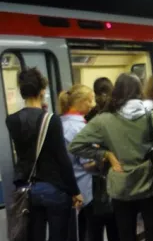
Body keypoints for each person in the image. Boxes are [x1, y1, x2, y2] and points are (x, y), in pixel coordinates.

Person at [69, 74, 153, 241]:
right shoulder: (151, 116)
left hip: (120, 186)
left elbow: (75, 145)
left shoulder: (103, 120)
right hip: (149, 183)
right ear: (139, 91)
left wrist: (105, 154)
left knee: (125, 233)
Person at [6, 67, 82, 241]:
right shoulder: (51, 120)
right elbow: (62, 158)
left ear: (22, 91)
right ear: (42, 91)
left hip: (28, 189)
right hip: (54, 188)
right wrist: (75, 191)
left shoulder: (11, 120)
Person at [82, 77, 120, 241]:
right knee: (116, 227)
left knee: (95, 228)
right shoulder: (118, 114)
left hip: (95, 179)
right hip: (117, 176)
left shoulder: (89, 117)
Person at [59, 84, 97, 241]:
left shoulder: (59, 123)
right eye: (89, 101)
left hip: (65, 188)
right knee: (85, 232)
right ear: (80, 101)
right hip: (84, 190)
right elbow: (87, 163)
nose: (92, 105)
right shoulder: (80, 129)